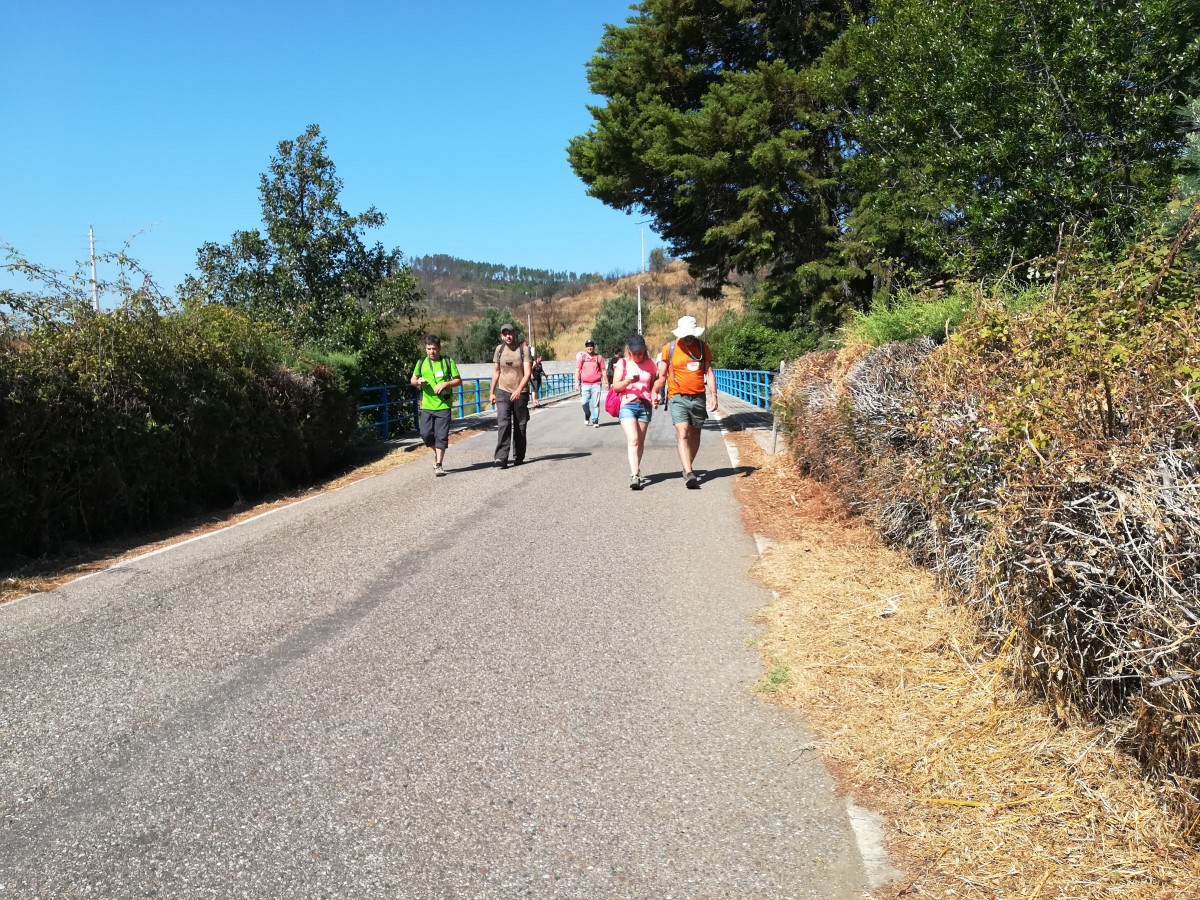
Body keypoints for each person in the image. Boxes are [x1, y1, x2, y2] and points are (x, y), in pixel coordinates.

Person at [654, 315, 718, 489]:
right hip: (677, 397)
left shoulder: (703, 347)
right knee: (682, 432)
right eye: (685, 336)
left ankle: (686, 466)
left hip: (698, 397)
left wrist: (714, 395)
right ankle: (689, 473)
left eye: (691, 335)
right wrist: (655, 391)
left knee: (695, 434)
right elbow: (662, 375)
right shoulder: (670, 348)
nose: (688, 338)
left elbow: (709, 372)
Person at [611, 334, 659, 490]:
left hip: (644, 406)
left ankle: (636, 469)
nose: (638, 355)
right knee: (633, 440)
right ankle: (634, 475)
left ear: (644, 350)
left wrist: (655, 395)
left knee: (640, 442)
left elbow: (653, 386)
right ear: (629, 351)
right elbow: (615, 386)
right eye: (634, 353)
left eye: (640, 352)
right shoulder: (622, 363)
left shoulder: (650, 364)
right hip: (627, 404)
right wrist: (628, 381)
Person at [409, 335, 462, 476]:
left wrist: (445, 384)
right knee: (425, 434)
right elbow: (412, 380)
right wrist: (418, 382)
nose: (431, 352)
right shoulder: (421, 362)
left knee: (441, 436)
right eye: (429, 349)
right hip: (427, 405)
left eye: (434, 349)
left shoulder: (447, 362)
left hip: (443, 405)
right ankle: (436, 452)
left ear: (439, 348)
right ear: (425, 349)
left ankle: (439, 464)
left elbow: (458, 381)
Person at [489, 324, 532, 468]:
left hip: (520, 393)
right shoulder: (499, 350)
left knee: (520, 426)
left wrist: (519, 390)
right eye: (505, 334)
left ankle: (519, 455)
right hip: (503, 391)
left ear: (515, 334)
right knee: (503, 423)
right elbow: (496, 371)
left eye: (510, 333)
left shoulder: (523, 350)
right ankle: (501, 457)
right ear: (502, 336)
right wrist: (491, 392)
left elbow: (528, 373)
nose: (508, 336)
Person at [576, 338, 607, 427]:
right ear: (586, 347)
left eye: (591, 346)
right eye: (588, 346)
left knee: (595, 404)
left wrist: (606, 382)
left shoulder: (599, 357)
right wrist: (576, 382)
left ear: (593, 347)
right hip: (585, 384)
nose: (589, 348)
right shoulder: (582, 358)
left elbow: (603, 370)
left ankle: (595, 420)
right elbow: (577, 370)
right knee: (584, 402)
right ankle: (587, 414)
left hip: (596, 384)